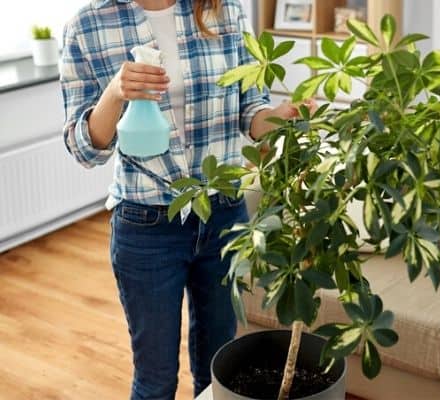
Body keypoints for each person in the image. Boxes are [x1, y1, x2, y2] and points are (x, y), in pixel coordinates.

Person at [60, 0, 313, 398]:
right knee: (155, 379)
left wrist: (284, 116)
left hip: (224, 216)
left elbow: (251, 112)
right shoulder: (88, 24)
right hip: (146, 227)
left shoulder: (223, 9)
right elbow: (85, 149)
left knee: (220, 375)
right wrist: (115, 92)